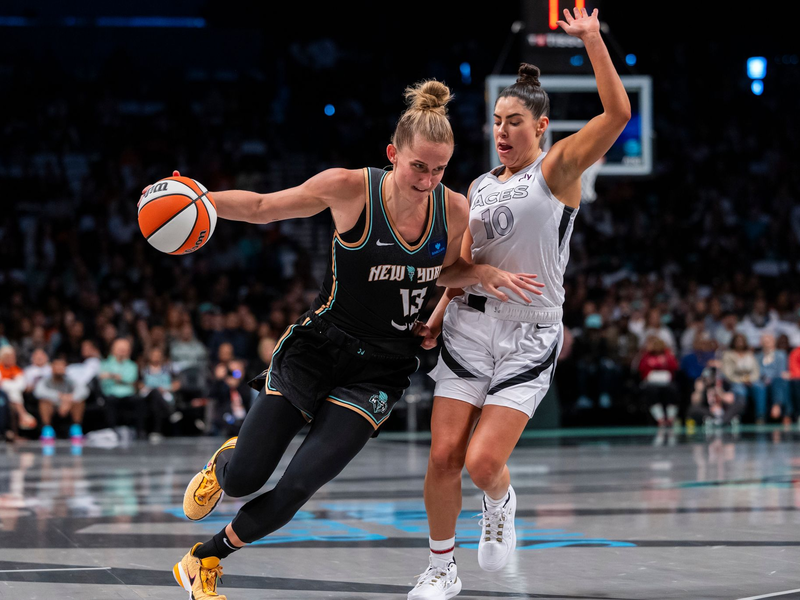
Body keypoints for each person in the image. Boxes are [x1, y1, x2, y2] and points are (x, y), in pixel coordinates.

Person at [146, 79, 542, 600]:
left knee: (299, 485)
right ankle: (225, 465)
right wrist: (197, 198)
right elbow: (264, 206)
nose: (428, 180)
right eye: (418, 166)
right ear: (392, 155)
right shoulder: (350, 188)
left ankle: (206, 559)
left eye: (440, 169)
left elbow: (446, 271)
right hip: (318, 348)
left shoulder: (454, 210)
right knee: (246, 477)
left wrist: (477, 275)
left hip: (381, 367)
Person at [407, 9, 631, 599]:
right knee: (443, 458)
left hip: (529, 335)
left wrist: (591, 40)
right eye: (497, 122)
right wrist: (434, 317)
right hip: (466, 329)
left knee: (483, 463)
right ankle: (439, 569)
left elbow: (618, 115)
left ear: (542, 127)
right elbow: (452, 270)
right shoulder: (477, 187)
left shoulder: (557, 171)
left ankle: (500, 501)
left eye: (515, 122)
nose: (502, 132)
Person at [33, 356, 88, 441]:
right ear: (52, 367)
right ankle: (47, 429)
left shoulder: (69, 380)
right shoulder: (46, 380)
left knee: (79, 401)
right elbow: (38, 392)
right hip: (53, 406)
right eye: (57, 366)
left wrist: (70, 399)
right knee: (43, 402)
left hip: (68, 406)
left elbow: (84, 391)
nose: (59, 368)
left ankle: (76, 429)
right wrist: (59, 396)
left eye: (62, 366)